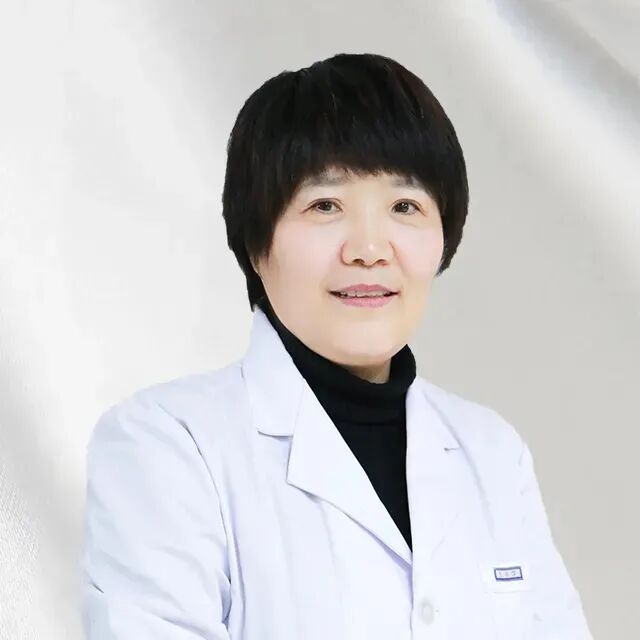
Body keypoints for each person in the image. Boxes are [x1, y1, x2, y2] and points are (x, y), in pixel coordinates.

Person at [81, 52, 593, 639]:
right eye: (325, 205)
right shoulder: (167, 445)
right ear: (257, 243)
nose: (369, 249)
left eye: (404, 206)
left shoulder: (492, 452)